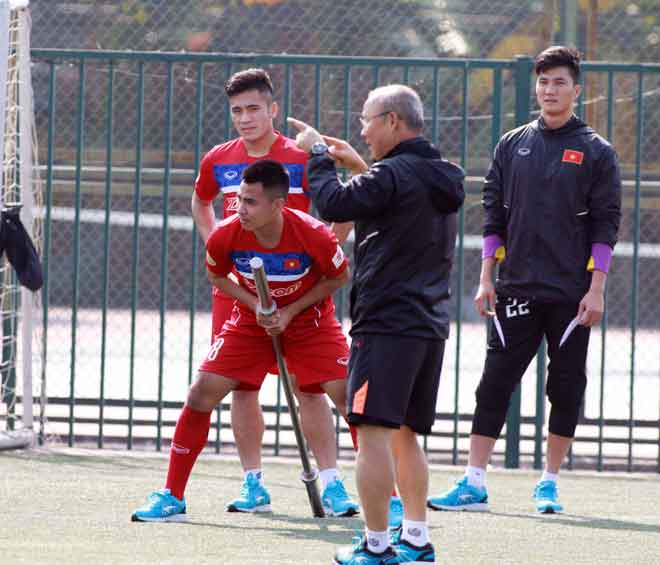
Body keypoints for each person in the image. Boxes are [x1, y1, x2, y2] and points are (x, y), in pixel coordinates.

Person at [427, 45, 622, 515]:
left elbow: (606, 224)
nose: (550, 90)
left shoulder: (597, 151)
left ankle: (549, 482)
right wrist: (485, 276)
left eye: (559, 82)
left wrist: (596, 288)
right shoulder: (512, 144)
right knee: (494, 383)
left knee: (567, 385)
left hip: (572, 296)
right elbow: (493, 213)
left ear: (577, 90)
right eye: (543, 82)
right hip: (515, 288)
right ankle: (474, 482)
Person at [288, 83, 465, 564]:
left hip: (386, 324)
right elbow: (393, 199)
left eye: (366, 120)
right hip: (427, 325)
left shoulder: (391, 174)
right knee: (406, 432)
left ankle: (377, 544)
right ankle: (417, 537)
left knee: (372, 434)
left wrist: (319, 154)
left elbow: (334, 204)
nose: (362, 130)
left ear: (392, 120)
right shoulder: (443, 174)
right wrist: (358, 166)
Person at [132, 160, 357, 521]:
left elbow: (338, 278)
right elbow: (217, 275)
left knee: (350, 397)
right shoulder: (226, 234)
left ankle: (369, 497)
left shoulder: (313, 234)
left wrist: (290, 310)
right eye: (238, 198)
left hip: (309, 323)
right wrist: (257, 305)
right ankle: (173, 496)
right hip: (250, 325)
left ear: (278, 204)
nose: (240, 208)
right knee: (201, 392)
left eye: (250, 201)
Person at [190, 68, 358, 517]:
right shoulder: (217, 159)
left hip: (301, 292)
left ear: (273, 110)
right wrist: (215, 243)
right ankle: (253, 484)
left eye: (253, 109)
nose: (245, 119)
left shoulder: (299, 158)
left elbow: (347, 200)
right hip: (239, 294)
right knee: (241, 388)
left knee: (313, 389)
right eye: (237, 111)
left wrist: (330, 247)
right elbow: (200, 199)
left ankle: (332, 483)